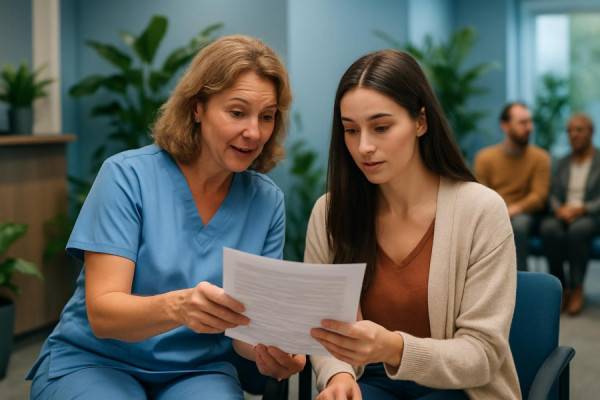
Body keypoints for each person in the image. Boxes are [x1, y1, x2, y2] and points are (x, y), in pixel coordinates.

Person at [27, 35, 305, 400]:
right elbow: (103, 313)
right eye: (237, 113)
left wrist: (271, 351)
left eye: (266, 117)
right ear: (197, 108)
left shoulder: (266, 201)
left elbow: (247, 331)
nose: (254, 132)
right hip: (98, 360)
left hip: (197, 370)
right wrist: (180, 307)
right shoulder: (127, 176)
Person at [305, 50, 521, 400]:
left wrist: (393, 347)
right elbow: (321, 323)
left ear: (421, 121)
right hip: (370, 380)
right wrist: (338, 376)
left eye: (381, 127)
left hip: (459, 389)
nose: (364, 147)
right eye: (350, 130)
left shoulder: (481, 211)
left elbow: (482, 356)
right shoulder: (330, 212)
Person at [474, 102, 551, 270]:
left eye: (530, 122)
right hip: (493, 212)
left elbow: (539, 196)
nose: (529, 127)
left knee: (518, 225)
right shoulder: (485, 158)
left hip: (525, 214)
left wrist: (512, 210)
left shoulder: (540, 157)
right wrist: (498, 212)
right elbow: (479, 195)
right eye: (523, 123)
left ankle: (520, 283)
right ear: (505, 126)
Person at [541, 113, 600, 315]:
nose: (573, 135)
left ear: (591, 132)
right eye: (569, 131)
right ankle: (561, 287)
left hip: (590, 215)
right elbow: (551, 192)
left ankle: (577, 289)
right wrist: (559, 209)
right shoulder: (561, 161)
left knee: (578, 229)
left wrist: (582, 209)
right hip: (564, 212)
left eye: (579, 130)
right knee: (548, 228)